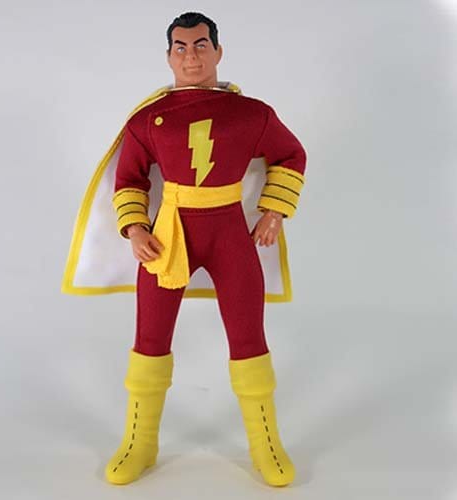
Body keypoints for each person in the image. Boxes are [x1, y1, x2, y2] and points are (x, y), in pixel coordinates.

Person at [105, 12, 307, 487]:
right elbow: (129, 177)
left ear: (218, 51)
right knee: (150, 336)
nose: (191, 57)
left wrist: (273, 210)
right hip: (168, 234)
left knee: (248, 336)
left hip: (229, 233)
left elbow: (291, 155)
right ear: (168, 56)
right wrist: (135, 227)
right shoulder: (147, 119)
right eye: (180, 47)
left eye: (200, 45)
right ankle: (139, 441)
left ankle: (265, 442)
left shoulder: (252, 114)